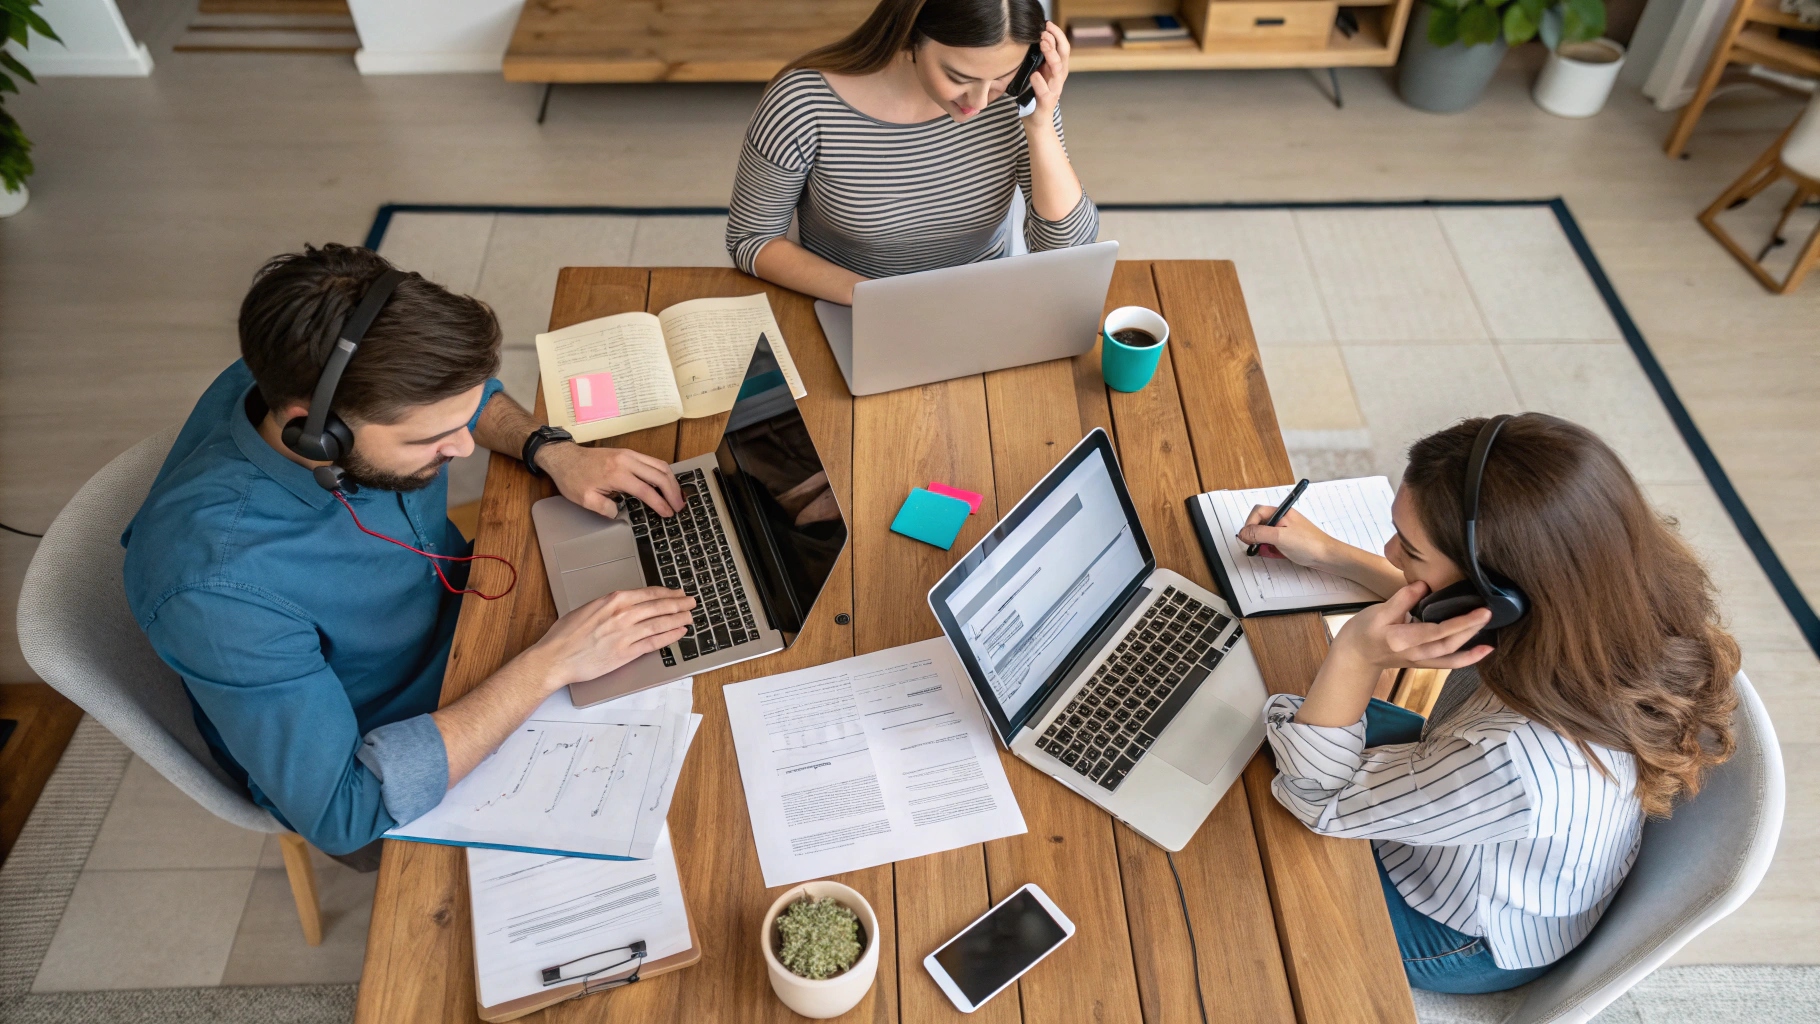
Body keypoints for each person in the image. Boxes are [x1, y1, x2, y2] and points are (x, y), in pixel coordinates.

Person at [122, 244, 697, 866]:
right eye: (430, 439)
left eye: (460, 420)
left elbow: (467, 399)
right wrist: (548, 667)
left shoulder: (334, 373)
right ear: (313, 429)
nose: (465, 447)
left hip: (473, 615)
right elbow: (346, 810)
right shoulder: (215, 587)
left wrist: (548, 448)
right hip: (399, 743)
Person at [1236, 414, 1739, 993]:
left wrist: (1357, 652)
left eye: (1411, 551)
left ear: (1493, 598)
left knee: (1243, 849)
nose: (1387, 549)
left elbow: (1316, 799)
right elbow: (1440, 603)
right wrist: (1329, 552)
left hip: (1460, 934)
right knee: (1267, 720)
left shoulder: (1514, 758)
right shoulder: (1601, 613)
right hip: (1505, 852)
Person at [725, 0, 1098, 304]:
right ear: (908, 40)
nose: (981, 102)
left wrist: (1039, 121)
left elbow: (1068, 251)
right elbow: (752, 239)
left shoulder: (1021, 99)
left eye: (1001, 77)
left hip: (977, 303)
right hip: (848, 304)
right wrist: (877, 300)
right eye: (958, 78)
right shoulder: (802, 103)